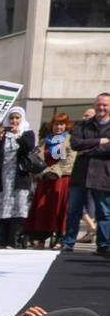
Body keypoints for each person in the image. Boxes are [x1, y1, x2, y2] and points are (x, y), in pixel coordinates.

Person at [64, 93, 110, 255]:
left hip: (102, 175)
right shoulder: (82, 126)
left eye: (105, 105)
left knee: (103, 212)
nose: (101, 108)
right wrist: (99, 142)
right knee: (73, 211)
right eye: (99, 105)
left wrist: (87, 149)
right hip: (80, 174)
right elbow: (75, 143)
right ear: (94, 105)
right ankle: (68, 242)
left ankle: (103, 244)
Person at [0, 108, 36, 249]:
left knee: (18, 209)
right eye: (11, 118)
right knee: (1, 209)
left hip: (19, 178)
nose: (14, 121)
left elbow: (29, 147)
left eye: (17, 118)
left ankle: (14, 240)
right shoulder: (2, 136)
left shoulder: (27, 132)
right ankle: (2, 240)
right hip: (2, 178)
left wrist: (18, 135)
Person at [25, 113, 75, 248]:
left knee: (58, 209)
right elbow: (37, 159)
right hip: (45, 179)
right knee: (42, 208)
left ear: (66, 126)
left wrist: (54, 171)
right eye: (56, 124)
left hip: (60, 179)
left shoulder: (69, 140)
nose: (58, 127)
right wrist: (44, 173)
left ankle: (59, 237)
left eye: (61, 124)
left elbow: (70, 159)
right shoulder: (44, 141)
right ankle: (40, 237)